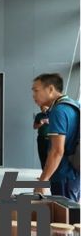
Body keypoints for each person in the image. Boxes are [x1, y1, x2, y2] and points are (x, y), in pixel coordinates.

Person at [32, 73, 80, 201]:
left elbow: (57, 151)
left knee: (65, 211)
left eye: (36, 90)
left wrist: (42, 181)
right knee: (71, 208)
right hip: (74, 171)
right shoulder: (74, 105)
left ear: (50, 89)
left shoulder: (58, 111)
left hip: (63, 174)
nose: (33, 95)